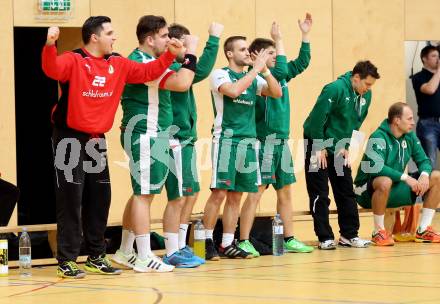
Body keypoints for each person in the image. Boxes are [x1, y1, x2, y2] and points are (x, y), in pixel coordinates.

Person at [42, 16, 182, 278]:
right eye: (110, 32)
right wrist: (50, 45)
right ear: (95, 37)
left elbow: (148, 73)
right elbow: (52, 69)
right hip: (69, 138)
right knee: (71, 198)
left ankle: (96, 255)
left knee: (100, 198)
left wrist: (170, 55)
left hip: (97, 140)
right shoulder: (74, 60)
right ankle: (67, 260)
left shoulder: (117, 63)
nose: (115, 37)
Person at [111, 15, 199, 272]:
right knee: (144, 194)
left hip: (154, 133)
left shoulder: (152, 60)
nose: (169, 40)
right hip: (145, 132)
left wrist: (182, 56)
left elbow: (187, 75)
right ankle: (144, 255)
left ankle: (125, 251)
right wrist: (190, 51)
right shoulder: (140, 62)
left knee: (141, 191)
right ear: (149, 39)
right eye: (163, 36)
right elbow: (183, 83)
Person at [237, 15, 314, 257]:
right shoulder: (256, 77)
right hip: (264, 142)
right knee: (256, 192)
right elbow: (281, 68)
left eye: (274, 52)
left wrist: (305, 35)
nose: (275, 56)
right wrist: (278, 39)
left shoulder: (279, 74)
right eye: (269, 53)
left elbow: (302, 61)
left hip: (281, 141)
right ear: (257, 56)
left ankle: (288, 238)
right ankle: (243, 239)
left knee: (285, 191)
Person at [203, 35, 282, 260]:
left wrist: (265, 70)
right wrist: (255, 70)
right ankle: (207, 239)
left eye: (248, 49)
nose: (248, 53)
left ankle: (227, 243)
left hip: (248, 141)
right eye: (242, 49)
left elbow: (277, 92)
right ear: (230, 54)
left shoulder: (254, 78)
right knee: (219, 193)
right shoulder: (220, 74)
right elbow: (234, 91)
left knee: (236, 195)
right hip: (226, 140)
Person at [162, 22, 223, 264]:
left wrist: (209, 41)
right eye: (187, 44)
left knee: (191, 192)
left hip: (186, 138)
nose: (191, 52)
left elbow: (200, 67)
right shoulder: (172, 66)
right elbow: (202, 67)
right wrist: (212, 40)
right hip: (174, 137)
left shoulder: (181, 66)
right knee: (179, 194)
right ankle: (173, 248)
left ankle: (180, 244)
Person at [303, 60, 380, 250]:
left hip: (338, 146)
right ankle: (324, 237)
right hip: (317, 142)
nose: (368, 89)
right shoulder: (334, 89)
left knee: (345, 190)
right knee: (320, 191)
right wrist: (319, 146)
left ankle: (349, 235)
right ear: (356, 78)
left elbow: (357, 122)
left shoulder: (365, 96)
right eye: (367, 84)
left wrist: (348, 146)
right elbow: (316, 119)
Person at [354, 102, 440, 245]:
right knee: (385, 181)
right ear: (397, 120)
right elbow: (377, 167)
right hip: (366, 192)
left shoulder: (409, 136)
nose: (413, 123)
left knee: (436, 177)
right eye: (409, 119)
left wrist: (424, 175)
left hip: (395, 187)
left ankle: (423, 230)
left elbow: (424, 160)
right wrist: (407, 178)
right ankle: (378, 232)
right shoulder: (378, 136)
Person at [412, 45, 440, 168]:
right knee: (430, 161)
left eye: (438, 56)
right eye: (434, 56)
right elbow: (430, 89)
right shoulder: (418, 77)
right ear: (424, 59)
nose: (437, 59)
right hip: (428, 124)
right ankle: (428, 187)